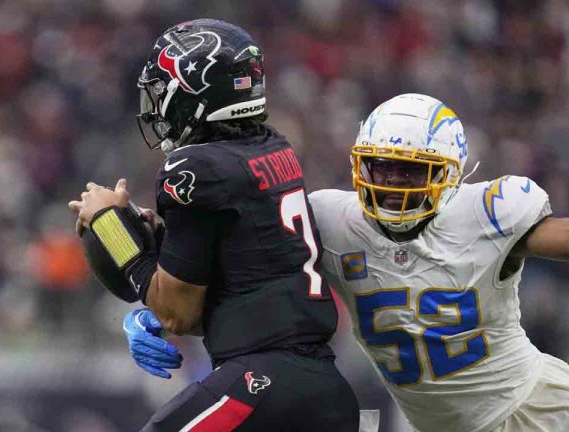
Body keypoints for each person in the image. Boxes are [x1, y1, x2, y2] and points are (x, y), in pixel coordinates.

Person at [126, 93, 569, 431]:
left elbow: (550, 234)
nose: (389, 185)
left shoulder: (484, 214)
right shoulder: (328, 217)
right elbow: (240, 270)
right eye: (380, 169)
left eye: (408, 172)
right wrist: (155, 310)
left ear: (450, 175)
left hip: (538, 408)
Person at [69, 19, 359, 432]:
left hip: (265, 385)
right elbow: (238, 271)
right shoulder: (274, 147)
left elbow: (178, 312)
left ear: (194, 92)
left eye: (162, 89)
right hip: (320, 388)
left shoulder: (192, 167)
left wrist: (109, 225)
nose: (156, 105)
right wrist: (150, 234)